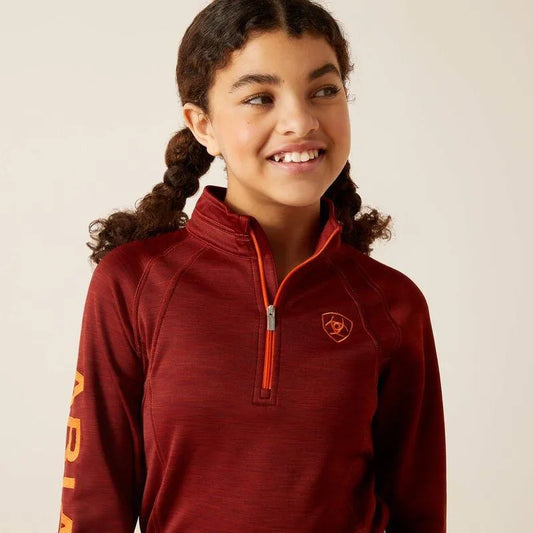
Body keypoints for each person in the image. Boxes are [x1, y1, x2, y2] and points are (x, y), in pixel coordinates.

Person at [57, 0, 446, 531]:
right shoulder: (133, 285)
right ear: (203, 125)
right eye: (260, 97)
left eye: (323, 91)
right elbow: (91, 506)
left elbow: (418, 514)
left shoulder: (393, 305)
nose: (301, 121)